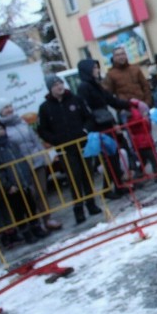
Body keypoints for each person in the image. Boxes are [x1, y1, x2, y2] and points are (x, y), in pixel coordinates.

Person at [37, 75, 104, 225]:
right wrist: (56, 140)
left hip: (82, 145)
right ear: (50, 88)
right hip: (65, 150)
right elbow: (42, 130)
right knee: (74, 178)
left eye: (60, 83)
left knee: (87, 174)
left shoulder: (76, 99)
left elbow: (89, 117)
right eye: (55, 85)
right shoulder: (45, 107)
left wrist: (85, 131)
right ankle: (78, 210)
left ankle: (91, 204)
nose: (59, 86)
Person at [0, 98, 62, 232]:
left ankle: (47, 218)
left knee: (42, 191)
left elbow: (34, 138)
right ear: (0, 111)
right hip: (22, 165)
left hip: (37, 160)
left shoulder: (21, 121)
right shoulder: (0, 127)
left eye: (9, 105)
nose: (9, 109)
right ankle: (36, 221)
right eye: (5, 108)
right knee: (31, 194)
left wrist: (43, 154)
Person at [0, 119, 49, 245]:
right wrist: (7, 185)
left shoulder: (11, 143)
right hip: (12, 187)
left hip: (23, 181)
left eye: (1, 128)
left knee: (30, 206)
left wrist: (27, 176)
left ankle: (36, 228)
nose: (0, 131)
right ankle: (26, 233)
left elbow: (21, 160)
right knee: (18, 210)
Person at [76, 58, 132, 195]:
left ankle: (117, 186)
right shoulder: (84, 87)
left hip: (106, 123)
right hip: (98, 127)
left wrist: (129, 104)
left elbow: (111, 100)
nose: (97, 70)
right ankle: (108, 189)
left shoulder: (96, 85)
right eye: (94, 68)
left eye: (97, 67)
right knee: (109, 159)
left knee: (113, 156)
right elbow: (85, 108)